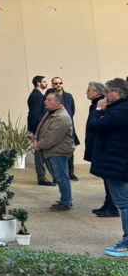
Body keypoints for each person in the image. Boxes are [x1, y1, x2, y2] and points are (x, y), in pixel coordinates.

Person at [86, 78, 128, 257]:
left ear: (117, 92)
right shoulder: (119, 109)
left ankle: (126, 242)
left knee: (123, 203)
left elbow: (94, 126)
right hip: (115, 162)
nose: (105, 95)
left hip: (116, 164)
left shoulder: (120, 111)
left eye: (108, 92)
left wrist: (98, 109)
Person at [34, 89, 75, 211]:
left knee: (62, 177)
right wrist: (36, 139)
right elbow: (40, 128)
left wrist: (39, 145)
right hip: (52, 151)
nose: (45, 102)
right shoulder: (50, 113)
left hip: (59, 152)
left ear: (58, 103)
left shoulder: (61, 117)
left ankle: (66, 202)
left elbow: (52, 138)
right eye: (46, 99)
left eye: (49, 100)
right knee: (60, 177)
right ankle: (65, 200)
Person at [86, 81, 118, 217]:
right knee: (106, 178)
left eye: (89, 90)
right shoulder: (96, 104)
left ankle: (111, 207)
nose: (87, 92)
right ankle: (108, 204)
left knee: (110, 179)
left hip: (106, 148)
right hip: (99, 146)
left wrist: (99, 110)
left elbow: (96, 125)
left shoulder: (103, 106)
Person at [27, 75, 55, 186]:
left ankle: (49, 176)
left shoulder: (37, 95)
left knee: (42, 152)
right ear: (38, 83)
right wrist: (32, 130)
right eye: (44, 81)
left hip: (39, 128)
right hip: (39, 128)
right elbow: (35, 114)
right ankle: (42, 177)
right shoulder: (37, 96)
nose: (46, 83)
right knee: (40, 153)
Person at [51, 77, 80, 180]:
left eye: (60, 83)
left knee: (70, 150)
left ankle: (70, 172)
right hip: (56, 127)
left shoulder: (69, 96)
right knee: (56, 151)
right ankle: (57, 174)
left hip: (69, 127)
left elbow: (72, 110)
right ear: (52, 85)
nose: (58, 85)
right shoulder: (50, 97)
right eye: (56, 83)